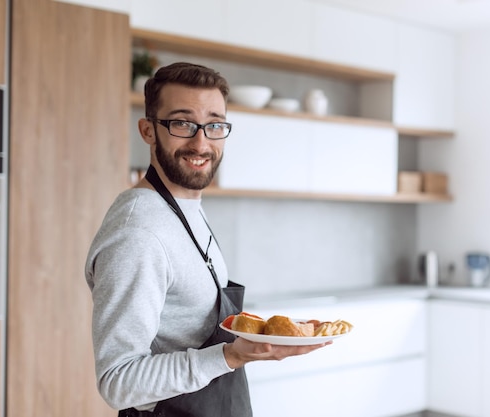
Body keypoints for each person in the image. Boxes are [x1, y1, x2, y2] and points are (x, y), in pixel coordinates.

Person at [84, 62, 329, 417]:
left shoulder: (186, 206)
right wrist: (231, 354)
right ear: (148, 130)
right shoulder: (138, 232)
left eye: (214, 125)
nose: (201, 143)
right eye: (182, 123)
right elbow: (118, 381)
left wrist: (263, 333)